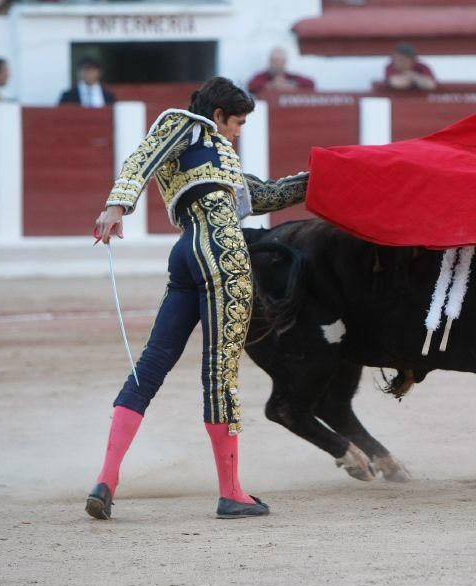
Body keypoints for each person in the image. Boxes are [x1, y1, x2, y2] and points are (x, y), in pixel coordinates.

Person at [87, 77, 308, 520]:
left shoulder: (219, 159)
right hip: (221, 252)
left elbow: (262, 195)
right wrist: (117, 206)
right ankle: (231, 492)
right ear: (219, 114)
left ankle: (106, 480)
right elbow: (142, 158)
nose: (238, 131)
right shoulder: (185, 124)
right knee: (219, 371)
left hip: (186, 253)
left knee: (151, 364)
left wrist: (317, 181)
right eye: (237, 122)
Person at [247, 47, 315, 94]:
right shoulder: (262, 77)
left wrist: (292, 85)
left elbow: (310, 84)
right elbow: (251, 86)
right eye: (274, 60)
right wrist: (271, 85)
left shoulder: (292, 77)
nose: (276, 64)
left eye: (278, 61)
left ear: (284, 62)